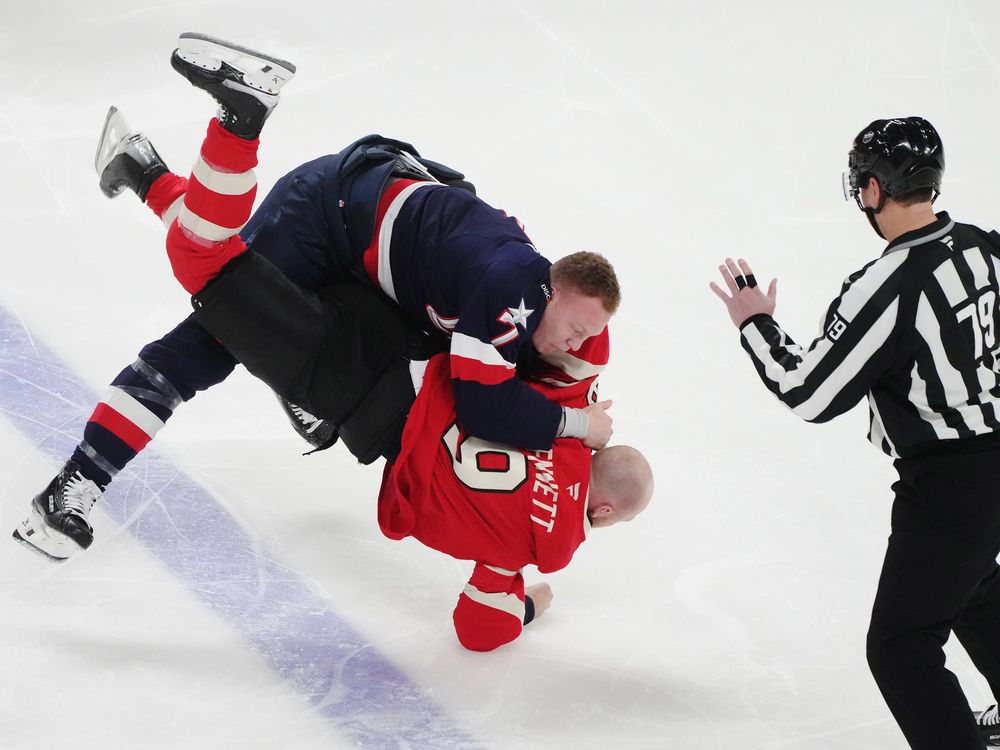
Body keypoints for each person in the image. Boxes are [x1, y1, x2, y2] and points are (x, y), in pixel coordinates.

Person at [13, 33, 621, 562]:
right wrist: (577, 421)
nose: (578, 341)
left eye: (585, 337)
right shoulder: (513, 293)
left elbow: (570, 355)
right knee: (207, 333)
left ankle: (140, 168)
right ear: (554, 287)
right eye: (575, 326)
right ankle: (239, 117)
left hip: (367, 247)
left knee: (238, 279)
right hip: (325, 216)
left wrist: (583, 398)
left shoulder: (535, 296)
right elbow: (487, 408)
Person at [709, 116, 1000, 749]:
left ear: (871, 190)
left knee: (899, 647)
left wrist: (757, 324)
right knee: (974, 588)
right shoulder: (983, 245)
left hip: (949, 486)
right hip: (990, 467)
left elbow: (810, 392)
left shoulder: (888, 285)